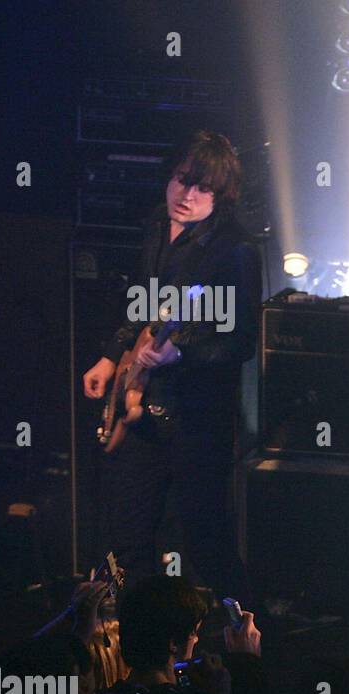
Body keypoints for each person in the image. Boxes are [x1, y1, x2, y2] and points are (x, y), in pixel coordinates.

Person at [81, 130, 260, 606]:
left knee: (206, 540)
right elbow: (141, 302)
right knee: (127, 535)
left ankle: (250, 640)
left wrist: (184, 354)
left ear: (221, 195)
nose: (187, 196)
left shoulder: (235, 250)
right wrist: (111, 352)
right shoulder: (157, 226)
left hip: (196, 417)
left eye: (202, 188)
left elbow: (241, 341)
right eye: (182, 181)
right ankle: (138, 644)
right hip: (142, 407)